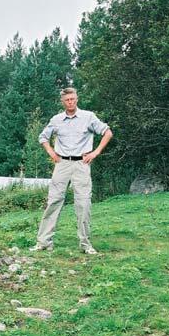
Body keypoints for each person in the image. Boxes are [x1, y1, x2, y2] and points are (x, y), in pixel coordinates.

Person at [31, 87, 113, 255]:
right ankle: (44, 242)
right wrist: (51, 152)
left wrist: (95, 152)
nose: (71, 102)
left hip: (81, 164)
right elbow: (43, 137)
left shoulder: (88, 117)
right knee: (54, 201)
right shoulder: (56, 119)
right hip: (61, 164)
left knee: (83, 203)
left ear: (77, 99)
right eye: (67, 100)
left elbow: (107, 132)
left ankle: (85, 244)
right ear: (63, 102)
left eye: (73, 99)